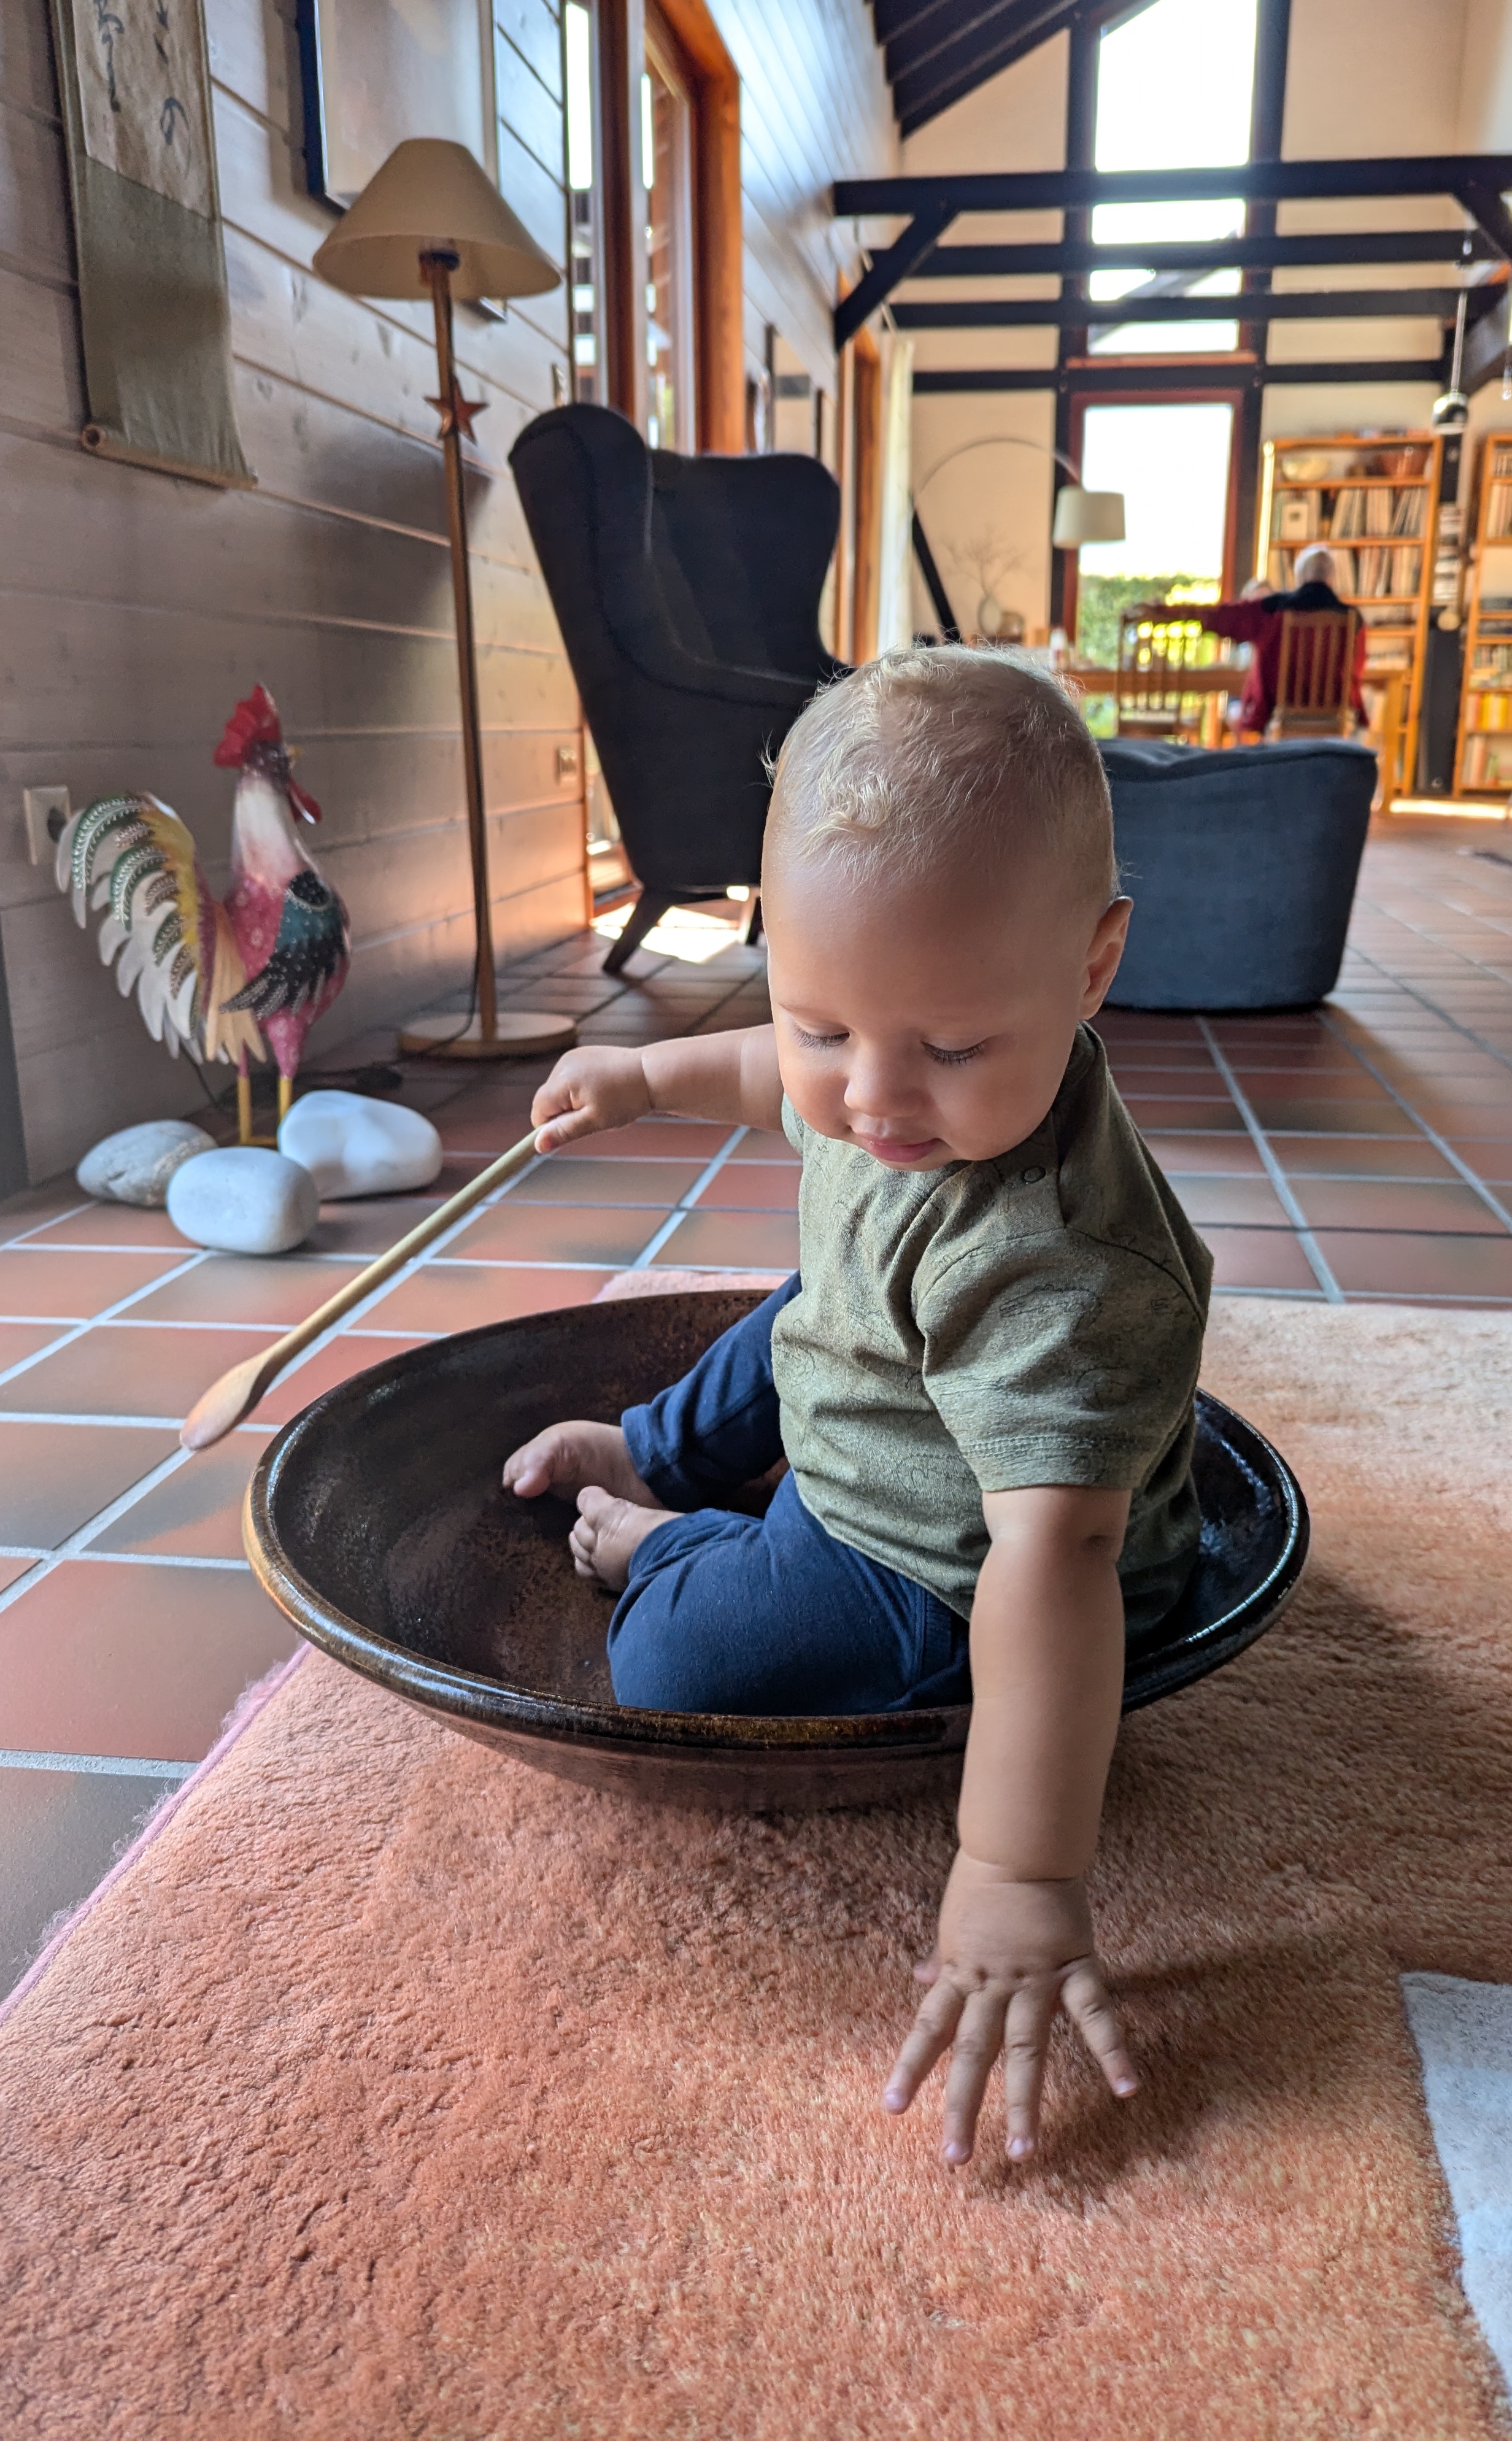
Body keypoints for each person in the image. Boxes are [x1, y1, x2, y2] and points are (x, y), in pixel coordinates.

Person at [504, 648, 1211, 2171]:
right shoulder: (878, 1075)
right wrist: (643, 1076)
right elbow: (771, 1077)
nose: (872, 1097)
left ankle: (668, 1541)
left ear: (1091, 967)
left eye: (949, 1048)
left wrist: (1018, 1868)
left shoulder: (1056, 1272)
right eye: (823, 1023)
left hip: (943, 1562)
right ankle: (655, 1448)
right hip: (882, 1379)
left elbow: (1058, 1561)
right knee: (802, 1308)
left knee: (672, 1660)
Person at [1141, 545, 1365, 733]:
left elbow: (1220, 615)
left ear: (1299, 578)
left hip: (1280, 717)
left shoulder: (1273, 610)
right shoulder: (1354, 619)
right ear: (1331, 579)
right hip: (1336, 720)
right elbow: (1355, 675)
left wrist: (1165, 612)